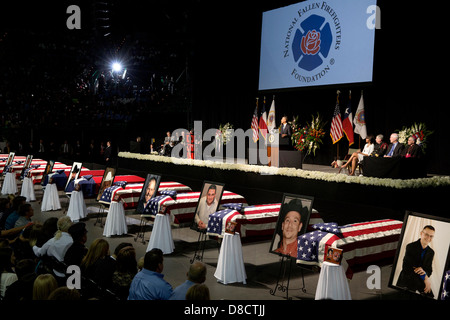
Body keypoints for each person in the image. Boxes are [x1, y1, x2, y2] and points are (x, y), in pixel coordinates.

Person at [396, 225, 435, 298]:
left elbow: (429, 270)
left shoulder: (431, 252)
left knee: (430, 296)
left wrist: (426, 277)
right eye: (426, 234)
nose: (428, 238)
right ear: (421, 233)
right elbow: (406, 267)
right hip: (407, 278)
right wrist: (425, 277)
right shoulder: (410, 246)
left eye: (431, 236)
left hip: (420, 279)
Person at [32, 216, 73, 281]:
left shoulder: (51, 241)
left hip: (56, 274)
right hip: (73, 276)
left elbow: (39, 253)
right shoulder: (73, 242)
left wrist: (34, 246)